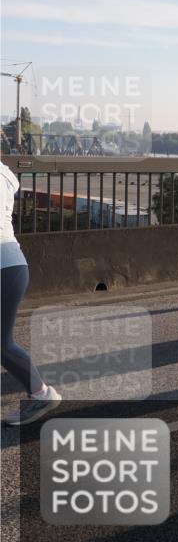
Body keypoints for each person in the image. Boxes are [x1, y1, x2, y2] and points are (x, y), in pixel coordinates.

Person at [2, 162, 62, 425]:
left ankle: (41, 394)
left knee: (2, 343)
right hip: (12, 265)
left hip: (4, 268)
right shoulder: (5, 174)